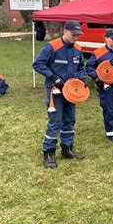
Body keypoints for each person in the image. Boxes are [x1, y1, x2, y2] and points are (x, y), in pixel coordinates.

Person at [33, 20, 87, 169]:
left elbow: (81, 66)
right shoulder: (52, 47)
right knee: (56, 121)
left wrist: (82, 78)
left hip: (71, 91)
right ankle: (49, 152)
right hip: (55, 91)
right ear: (65, 31)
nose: (77, 37)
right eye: (74, 34)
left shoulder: (78, 48)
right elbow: (37, 64)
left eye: (78, 34)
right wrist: (52, 77)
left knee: (70, 119)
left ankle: (67, 148)